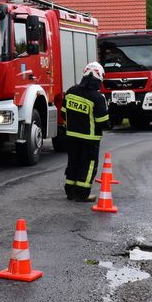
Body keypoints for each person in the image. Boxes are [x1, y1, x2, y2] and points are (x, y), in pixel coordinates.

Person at [61, 62, 110, 201]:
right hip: (90, 139)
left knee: (73, 163)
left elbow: (63, 113)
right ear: (99, 78)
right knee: (88, 166)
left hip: (71, 137)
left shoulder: (70, 91)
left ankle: (70, 191)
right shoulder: (97, 98)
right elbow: (103, 122)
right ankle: (82, 194)